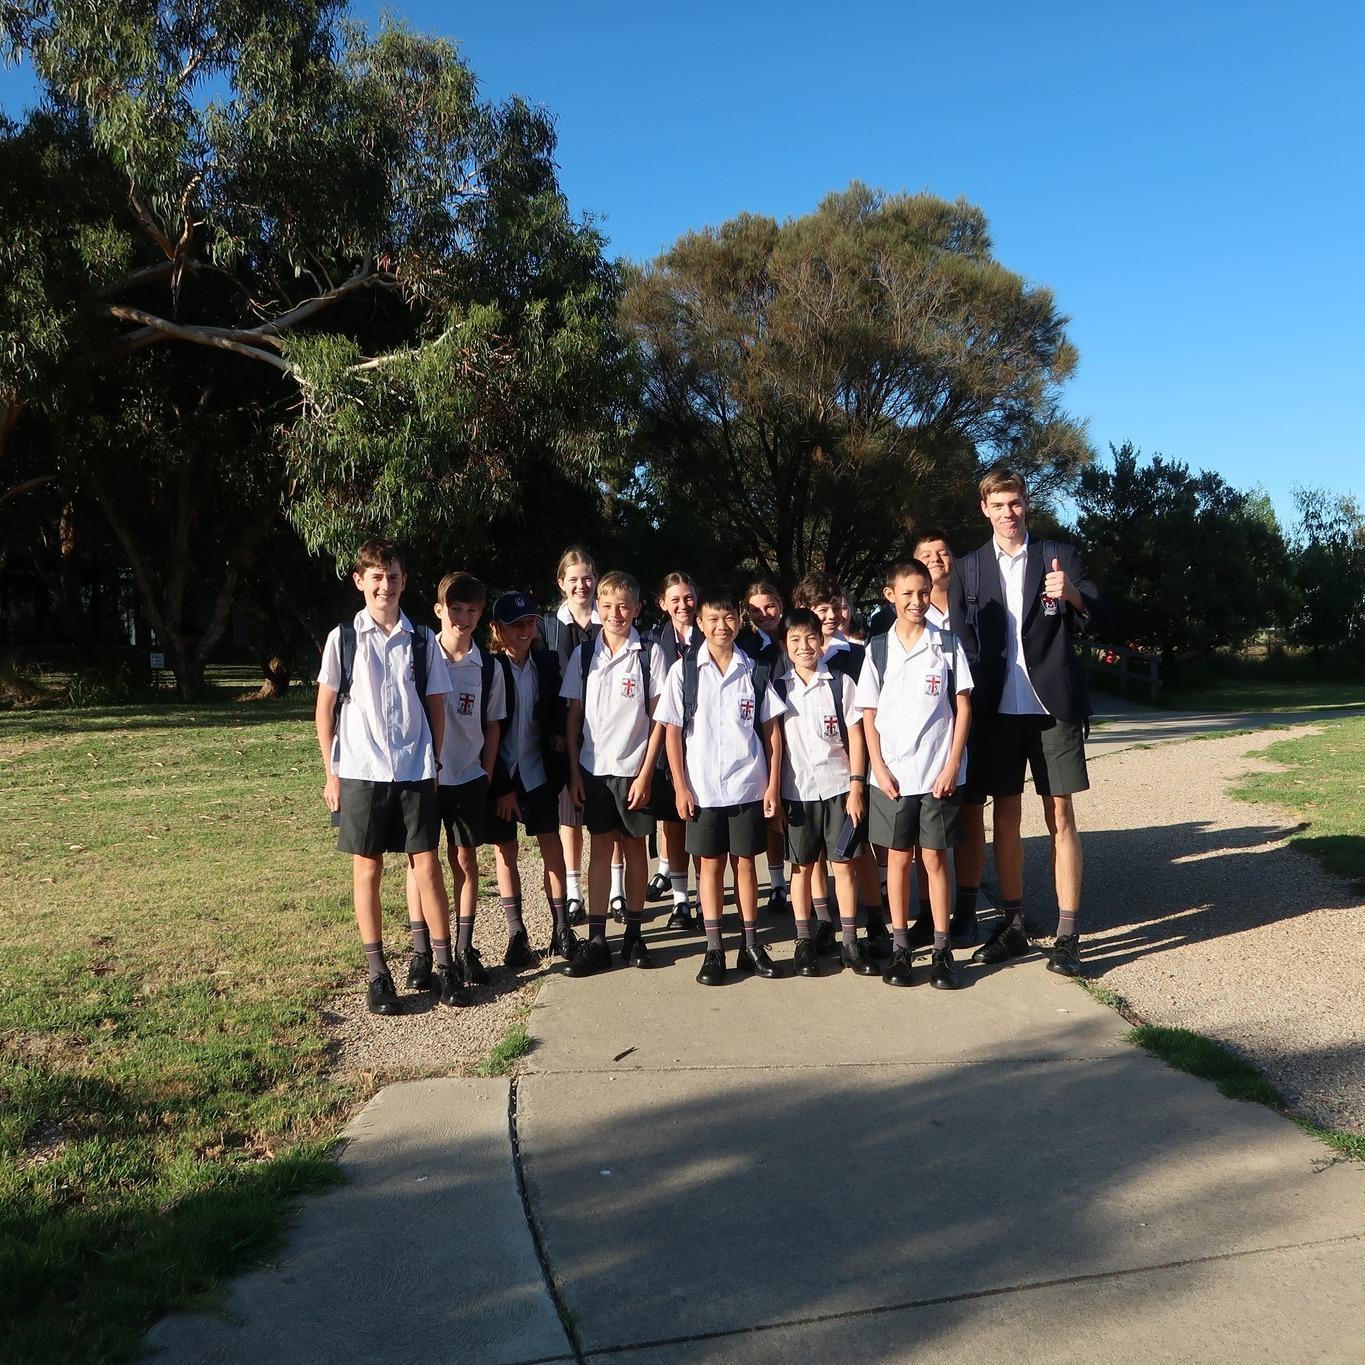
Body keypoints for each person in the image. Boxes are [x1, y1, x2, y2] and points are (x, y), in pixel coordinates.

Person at [950, 466, 1104, 977]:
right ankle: (1014, 924)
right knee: (1006, 819)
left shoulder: (1058, 556)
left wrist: (1072, 594)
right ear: (984, 509)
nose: (1007, 513)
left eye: (1014, 503)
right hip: (996, 711)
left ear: (1026, 503)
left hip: (1051, 705)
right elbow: (961, 646)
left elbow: (1099, 609)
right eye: (997, 504)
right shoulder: (968, 569)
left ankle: (1067, 933)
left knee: (1059, 816)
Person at [315, 539, 464, 1014]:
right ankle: (379, 975)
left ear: (404, 581)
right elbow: (325, 710)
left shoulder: (421, 640)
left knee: (426, 863)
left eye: (393, 576)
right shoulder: (344, 638)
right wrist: (331, 773)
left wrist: (435, 762)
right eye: (376, 576)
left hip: (415, 767)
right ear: (360, 581)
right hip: (361, 770)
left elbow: (436, 705)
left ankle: (444, 967)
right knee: (369, 867)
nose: (386, 585)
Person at [656, 584, 788, 986]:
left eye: (729, 617)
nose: (721, 626)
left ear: (739, 620)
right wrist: (680, 787)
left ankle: (751, 944)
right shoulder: (684, 673)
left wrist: (772, 786)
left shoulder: (756, 670)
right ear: (699, 623)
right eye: (712, 619)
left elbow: (771, 733)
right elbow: (672, 734)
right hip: (704, 789)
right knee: (709, 868)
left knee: (745, 865)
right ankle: (714, 949)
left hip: (748, 785)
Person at [857, 558, 972, 989]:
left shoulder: (946, 645)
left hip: (937, 776)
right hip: (893, 779)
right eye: (907, 594)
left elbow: (962, 708)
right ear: (890, 596)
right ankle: (903, 949)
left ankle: (942, 950)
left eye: (923, 593)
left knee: (936, 859)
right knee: (899, 861)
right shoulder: (878, 650)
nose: (917, 601)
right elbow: (868, 717)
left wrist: (951, 765)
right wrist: (879, 769)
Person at [402, 572, 508, 997]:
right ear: (438, 610)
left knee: (465, 860)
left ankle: (465, 948)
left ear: (481, 615)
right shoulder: (421, 657)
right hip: (424, 776)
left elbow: (494, 724)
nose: (463, 618)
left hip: (467, 776)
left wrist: (484, 768)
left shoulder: (489, 666)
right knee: (419, 863)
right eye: (455, 609)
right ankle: (422, 952)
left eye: (472, 610)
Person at [561, 571, 670, 975]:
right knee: (600, 851)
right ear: (596, 609)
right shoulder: (584, 655)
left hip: (634, 769)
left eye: (623, 605)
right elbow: (573, 719)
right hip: (594, 770)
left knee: (635, 849)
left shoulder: (649, 654)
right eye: (606, 606)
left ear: (638, 608)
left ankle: (635, 936)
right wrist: (574, 774)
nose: (614, 613)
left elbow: (660, 719)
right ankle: (597, 939)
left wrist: (646, 774)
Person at [790, 572, 890, 958]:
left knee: (855, 850)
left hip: (850, 769)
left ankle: (874, 919)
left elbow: (866, 718)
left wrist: (860, 776)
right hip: (807, 777)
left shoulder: (855, 655)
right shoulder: (795, 657)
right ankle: (823, 921)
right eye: (820, 608)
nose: (830, 615)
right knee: (812, 857)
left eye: (834, 606)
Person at [775, 608, 872, 977]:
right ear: (785, 645)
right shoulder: (779, 688)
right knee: (801, 868)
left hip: (838, 789)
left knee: (844, 865)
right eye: (795, 640)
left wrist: (857, 786)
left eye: (811, 638)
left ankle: (849, 941)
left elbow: (857, 737)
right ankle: (804, 940)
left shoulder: (841, 684)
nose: (804, 646)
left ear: (822, 639)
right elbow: (773, 744)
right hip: (796, 792)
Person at [482, 591, 574, 975]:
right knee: (506, 851)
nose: (523, 630)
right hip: (503, 774)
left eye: (530, 623)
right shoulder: (488, 668)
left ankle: (561, 927)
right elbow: (486, 732)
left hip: (538, 771)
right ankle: (517, 932)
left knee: (551, 844)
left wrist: (556, 733)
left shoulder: (547, 661)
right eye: (515, 624)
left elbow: (557, 706)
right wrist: (501, 786)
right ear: (497, 629)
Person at [901, 528, 981, 950]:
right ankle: (929, 915)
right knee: (922, 839)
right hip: (919, 752)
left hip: (970, 736)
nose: (936, 558)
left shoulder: (976, 611)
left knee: (968, 822)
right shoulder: (896, 623)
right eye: (926, 554)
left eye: (943, 552)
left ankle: (965, 912)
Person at [543, 548, 600, 926]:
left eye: (587, 577)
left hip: (604, 735)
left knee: (605, 818)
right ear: (561, 583)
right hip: (562, 737)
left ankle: (613, 891)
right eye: (573, 579)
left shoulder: (609, 619)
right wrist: (554, 731)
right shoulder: (548, 626)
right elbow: (544, 683)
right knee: (569, 819)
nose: (581, 585)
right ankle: (575, 891)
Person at [645, 571, 703, 931]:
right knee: (674, 825)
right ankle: (681, 900)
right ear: (663, 604)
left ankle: (703, 900)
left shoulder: (712, 635)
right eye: (675, 599)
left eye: (689, 597)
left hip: (703, 745)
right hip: (669, 747)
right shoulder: (653, 643)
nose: (683, 605)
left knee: (704, 827)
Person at [739, 580, 790, 916]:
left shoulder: (796, 635)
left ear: (780, 604)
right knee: (773, 813)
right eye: (755, 609)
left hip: (800, 731)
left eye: (769, 606)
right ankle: (776, 883)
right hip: (763, 734)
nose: (763, 614)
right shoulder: (744, 646)